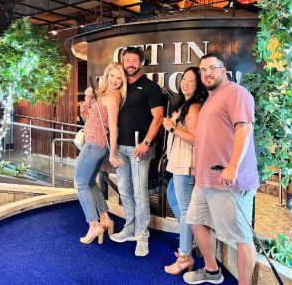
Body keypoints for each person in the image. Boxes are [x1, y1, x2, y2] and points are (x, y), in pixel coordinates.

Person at [183, 54, 260, 285]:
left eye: (212, 68)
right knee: (196, 221)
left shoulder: (236, 93)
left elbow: (244, 129)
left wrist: (233, 167)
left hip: (230, 181)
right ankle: (212, 271)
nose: (207, 73)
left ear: (223, 70)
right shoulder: (210, 99)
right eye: (203, 69)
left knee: (242, 238)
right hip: (205, 180)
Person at [110, 46, 164, 257]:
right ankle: (130, 228)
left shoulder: (149, 87)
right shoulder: (120, 87)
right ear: (122, 62)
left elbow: (158, 117)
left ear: (141, 62)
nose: (130, 64)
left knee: (141, 194)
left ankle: (142, 236)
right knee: (124, 191)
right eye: (127, 60)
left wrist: (147, 142)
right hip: (121, 149)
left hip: (139, 149)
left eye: (134, 60)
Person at [75, 62, 127, 245]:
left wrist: (112, 154)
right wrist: (88, 98)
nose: (115, 80)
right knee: (89, 182)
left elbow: (114, 129)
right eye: (112, 76)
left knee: (80, 184)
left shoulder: (113, 97)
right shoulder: (103, 92)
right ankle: (105, 219)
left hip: (95, 146)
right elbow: (87, 117)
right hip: (92, 143)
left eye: (119, 78)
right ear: (106, 75)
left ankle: (93, 224)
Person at [162, 67, 208, 275]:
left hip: (186, 165)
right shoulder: (185, 105)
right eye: (184, 79)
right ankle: (192, 242)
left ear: (198, 85)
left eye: (191, 80)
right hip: (177, 162)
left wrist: (172, 127)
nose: (186, 83)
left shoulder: (194, 108)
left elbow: (196, 139)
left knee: (186, 212)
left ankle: (184, 256)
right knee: (175, 202)